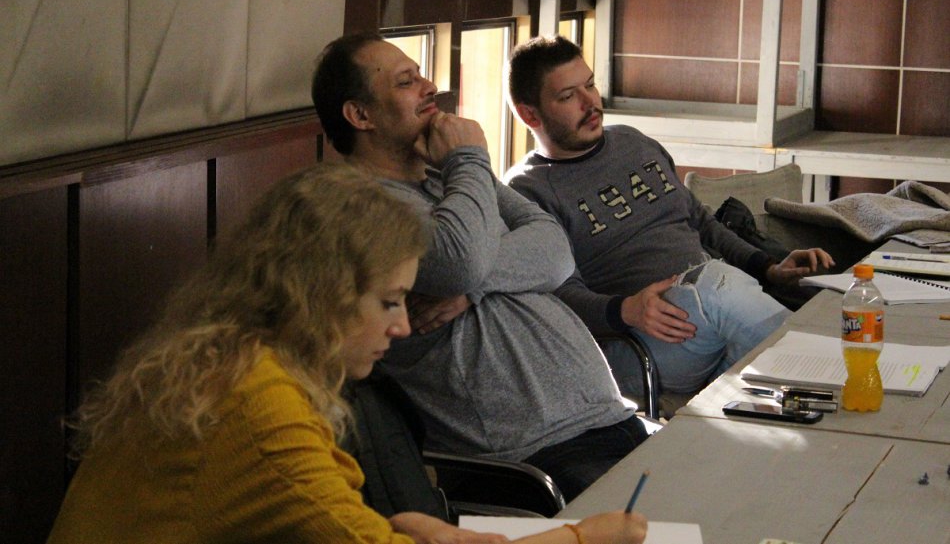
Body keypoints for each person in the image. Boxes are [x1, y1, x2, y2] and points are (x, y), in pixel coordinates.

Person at [46, 163, 647, 544]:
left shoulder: (243, 362)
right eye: (389, 302)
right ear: (321, 295)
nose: (403, 326)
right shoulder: (256, 401)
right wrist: (579, 539)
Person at [311, 33, 650, 502]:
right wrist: (468, 159)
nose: (430, 87)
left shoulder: (448, 177)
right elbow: (459, 262)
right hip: (530, 458)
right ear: (360, 115)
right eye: (407, 82)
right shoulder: (357, 205)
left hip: (606, 417)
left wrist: (474, 288)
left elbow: (555, 249)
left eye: (421, 74)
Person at [504, 35, 835, 399]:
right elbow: (554, 298)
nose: (591, 103)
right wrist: (625, 310)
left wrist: (768, 266)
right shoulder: (526, 191)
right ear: (529, 114)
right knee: (720, 288)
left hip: (712, 321)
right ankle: (838, 367)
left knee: (778, 375)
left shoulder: (633, 142)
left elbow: (699, 221)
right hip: (633, 347)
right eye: (569, 96)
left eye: (591, 85)